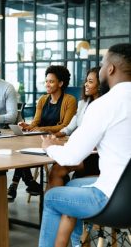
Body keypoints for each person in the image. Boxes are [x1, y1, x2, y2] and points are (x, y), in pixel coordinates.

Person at [38, 43, 131, 247]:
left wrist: (49, 147)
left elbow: (71, 157)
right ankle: (78, 243)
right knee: (71, 186)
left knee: (53, 197)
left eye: (102, 63)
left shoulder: (105, 104)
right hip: (124, 190)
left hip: (112, 199)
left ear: (111, 69)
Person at [8, 65, 77, 201]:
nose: (47, 84)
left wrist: (43, 129)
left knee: (24, 152)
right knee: (21, 150)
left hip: (58, 140)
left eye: (51, 81)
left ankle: (16, 185)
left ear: (61, 83)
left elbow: (65, 126)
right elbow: (36, 123)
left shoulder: (70, 100)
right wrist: (27, 126)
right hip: (39, 138)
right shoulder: (43, 100)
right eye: (46, 81)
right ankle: (29, 182)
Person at [48, 67, 102, 189]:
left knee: (57, 170)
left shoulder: (105, 106)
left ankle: (55, 203)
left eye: (90, 81)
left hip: (96, 154)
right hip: (85, 150)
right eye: (86, 81)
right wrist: (56, 134)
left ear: (100, 85)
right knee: (57, 167)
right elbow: (71, 127)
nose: (86, 85)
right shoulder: (83, 103)